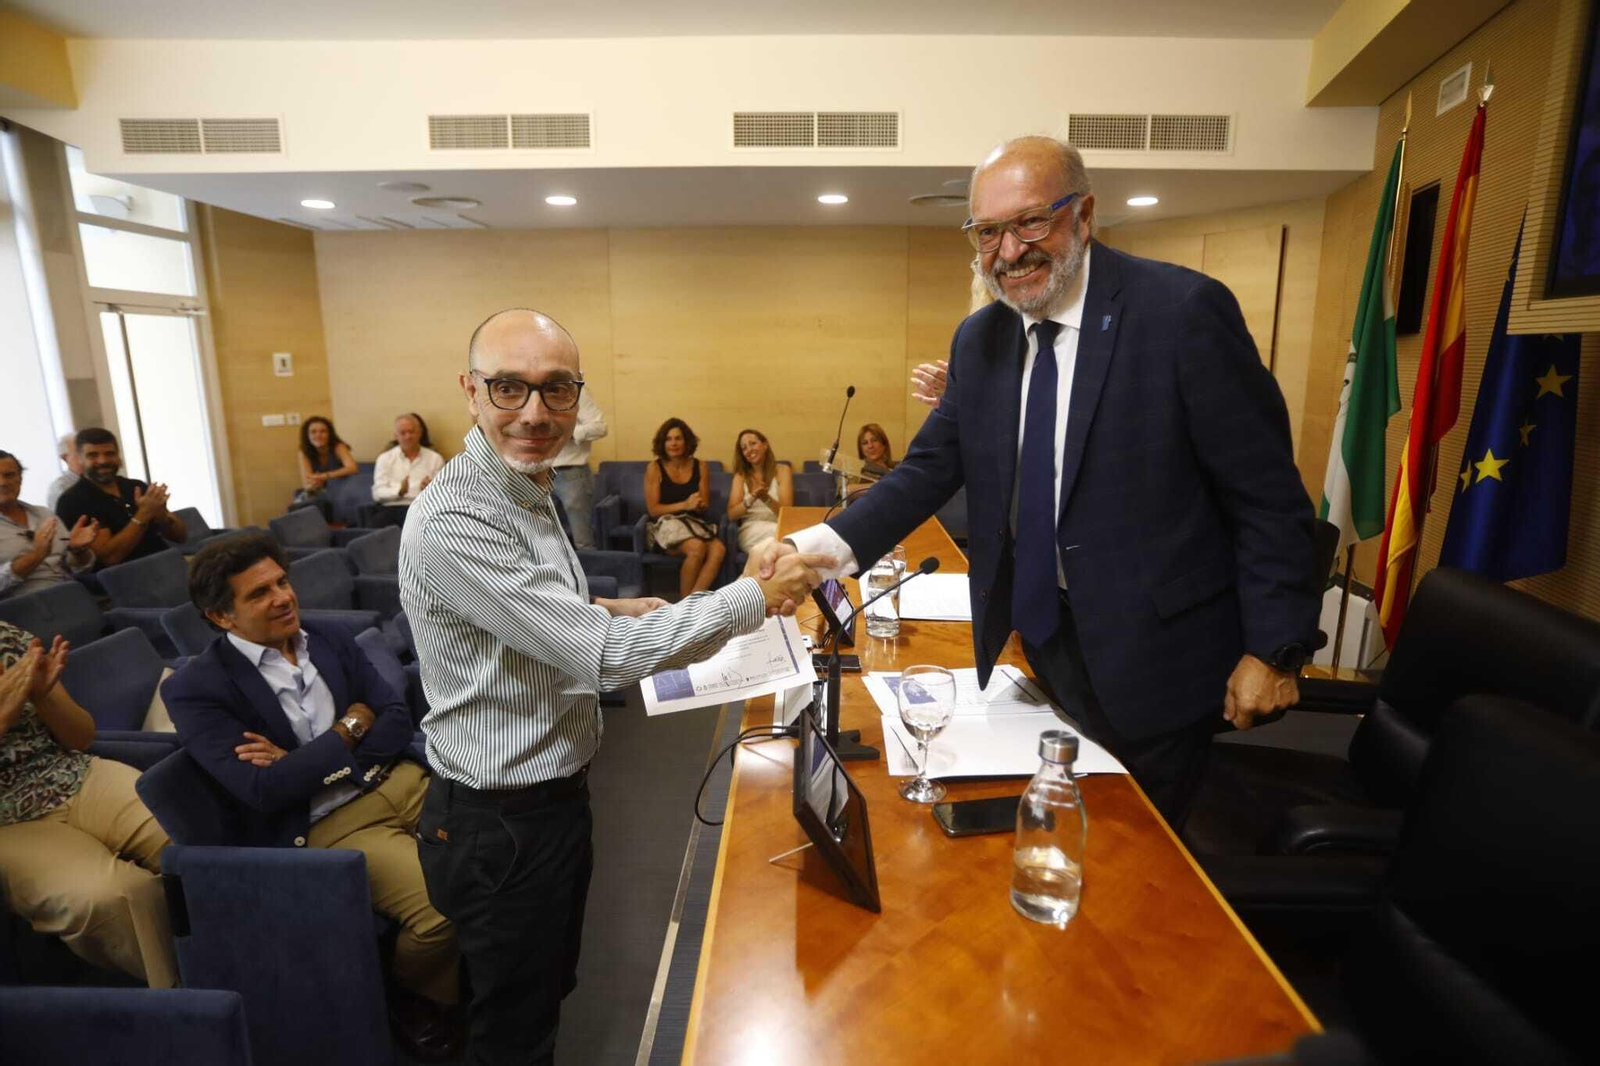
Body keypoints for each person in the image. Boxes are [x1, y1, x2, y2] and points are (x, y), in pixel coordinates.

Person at [773, 136, 1319, 829]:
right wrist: (813, 550)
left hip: (1159, 658)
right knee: (1054, 831)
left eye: (1031, 222)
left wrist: (1273, 648)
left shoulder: (1181, 312)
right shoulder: (981, 339)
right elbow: (927, 469)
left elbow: (1267, 496)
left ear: (1083, 215)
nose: (1009, 251)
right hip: (1044, 641)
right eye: (988, 232)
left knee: (1138, 850)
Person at [398, 307, 829, 1065]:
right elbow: (598, 660)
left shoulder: (524, 484)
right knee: (514, 1030)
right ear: (470, 390)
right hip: (502, 821)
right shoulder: (459, 516)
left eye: (557, 389)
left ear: (578, 395)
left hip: (551, 800)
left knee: (544, 987)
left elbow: (529, 613)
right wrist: (751, 598)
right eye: (509, 388)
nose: (536, 412)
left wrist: (611, 608)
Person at [161, 533, 460, 1059]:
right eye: (259, 593)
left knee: (506, 851)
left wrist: (310, 759)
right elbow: (264, 789)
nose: (283, 597)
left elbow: (396, 718)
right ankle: (413, 993)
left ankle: (489, 964)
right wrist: (349, 727)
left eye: (282, 581)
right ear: (221, 616)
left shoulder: (327, 636)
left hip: (403, 779)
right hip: (328, 825)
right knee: (443, 910)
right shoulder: (197, 688)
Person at [0, 622, 175, 986]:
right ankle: (196, 991)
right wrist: (7, 709)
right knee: (113, 898)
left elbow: (81, 737)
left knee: (186, 834)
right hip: (8, 824)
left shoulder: (7, 638)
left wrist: (43, 697)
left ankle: (268, 940)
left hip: (72, 775)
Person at [54, 428, 187, 567]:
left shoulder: (136, 486)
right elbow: (110, 557)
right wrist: (143, 515)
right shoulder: (72, 501)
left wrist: (163, 517)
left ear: (118, 456)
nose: (102, 461)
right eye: (93, 455)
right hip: (123, 576)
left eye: (109, 454)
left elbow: (181, 537)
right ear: (80, 459)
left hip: (166, 564)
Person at [644, 417, 725, 600]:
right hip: (665, 525)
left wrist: (699, 504)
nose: (673, 443)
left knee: (718, 549)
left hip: (693, 522)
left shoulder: (701, 466)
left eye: (678, 438)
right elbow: (653, 510)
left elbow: (704, 505)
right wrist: (685, 505)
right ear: (662, 443)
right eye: (669, 439)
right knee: (697, 548)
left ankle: (690, 603)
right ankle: (685, 605)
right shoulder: (654, 468)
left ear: (687, 441)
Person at [1, 450, 98, 599]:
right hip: (25, 606)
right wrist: (36, 555)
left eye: (9, 475)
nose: (3, 482)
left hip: (73, 595)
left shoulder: (44, 514)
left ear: (20, 478)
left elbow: (80, 570)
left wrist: (78, 550)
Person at [548, 382, 608, 550]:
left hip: (571, 474)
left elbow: (600, 427)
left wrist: (569, 432)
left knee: (583, 542)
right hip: (537, 473)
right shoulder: (531, 392)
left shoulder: (575, 390)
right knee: (545, 542)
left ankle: (589, 569)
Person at [372, 413, 444, 529]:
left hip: (422, 508)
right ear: (396, 436)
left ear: (420, 433)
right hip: (391, 508)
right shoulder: (384, 458)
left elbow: (443, 493)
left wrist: (430, 489)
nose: (408, 436)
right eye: (403, 433)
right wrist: (399, 491)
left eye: (411, 432)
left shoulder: (435, 458)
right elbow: (377, 493)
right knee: (377, 530)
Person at [727, 428, 793, 553]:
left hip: (779, 525)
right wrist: (751, 499)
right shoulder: (740, 476)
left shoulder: (783, 470)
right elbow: (732, 515)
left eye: (753, 443)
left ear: (765, 445)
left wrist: (765, 498)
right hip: (751, 528)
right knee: (786, 545)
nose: (749, 450)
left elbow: (786, 513)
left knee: (781, 548)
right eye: (744, 448)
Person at [294, 415, 359, 516]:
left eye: (323, 431)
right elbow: (307, 481)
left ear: (329, 434)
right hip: (319, 489)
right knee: (298, 505)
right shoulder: (304, 451)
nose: (318, 435)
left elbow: (353, 468)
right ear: (307, 435)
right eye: (313, 432)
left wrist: (325, 476)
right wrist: (314, 483)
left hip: (342, 487)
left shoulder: (338, 446)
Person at [46, 432, 83, 510]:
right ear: (64, 457)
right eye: (79, 452)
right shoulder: (60, 488)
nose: (85, 457)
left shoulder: (100, 479)